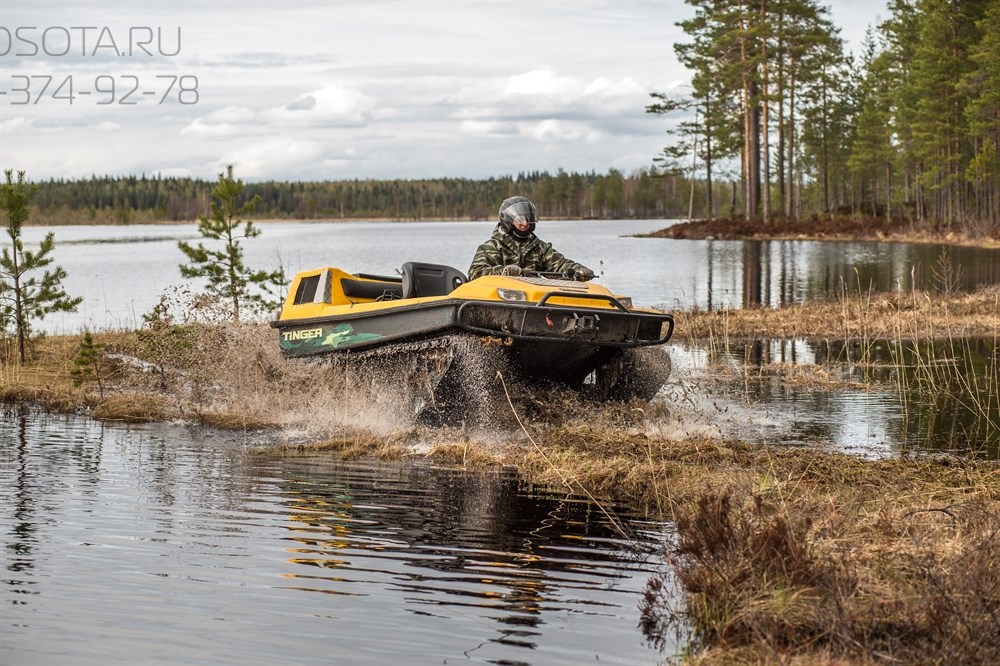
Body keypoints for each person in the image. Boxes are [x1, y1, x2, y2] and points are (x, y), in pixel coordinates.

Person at [468, 196, 596, 281]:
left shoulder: (540, 248)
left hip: (533, 299)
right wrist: (503, 272)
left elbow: (559, 264)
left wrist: (578, 271)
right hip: (499, 298)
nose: (524, 224)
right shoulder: (492, 247)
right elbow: (475, 273)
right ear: (508, 220)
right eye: (519, 220)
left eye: (528, 219)